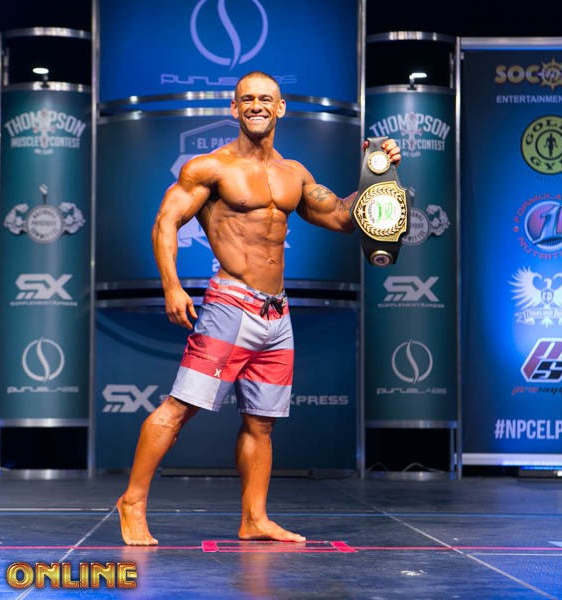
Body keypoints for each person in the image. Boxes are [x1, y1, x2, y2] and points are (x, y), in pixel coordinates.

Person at [117, 71, 401, 546]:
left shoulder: (294, 174)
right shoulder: (211, 168)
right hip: (229, 305)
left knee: (260, 422)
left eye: (265, 99)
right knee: (180, 408)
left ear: (280, 107)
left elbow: (340, 216)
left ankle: (254, 519)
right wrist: (171, 286)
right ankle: (132, 501)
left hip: (277, 313)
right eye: (247, 99)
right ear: (234, 108)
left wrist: (379, 174)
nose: (256, 105)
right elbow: (166, 221)